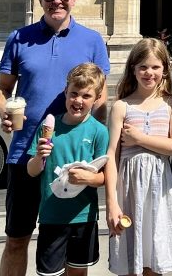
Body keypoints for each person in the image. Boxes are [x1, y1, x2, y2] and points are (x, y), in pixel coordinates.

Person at [0, 0, 111, 276]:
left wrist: (96, 152)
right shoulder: (19, 38)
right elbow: (3, 89)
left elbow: (99, 99)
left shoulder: (92, 40)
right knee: (17, 240)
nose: (56, 1)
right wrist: (5, 112)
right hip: (24, 155)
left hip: (70, 161)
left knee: (69, 250)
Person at [106, 39, 172, 276]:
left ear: (164, 69)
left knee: (155, 257)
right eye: (142, 67)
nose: (149, 73)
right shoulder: (122, 106)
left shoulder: (170, 104)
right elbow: (111, 155)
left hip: (158, 189)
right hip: (128, 189)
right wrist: (111, 202)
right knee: (130, 259)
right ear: (133, 69)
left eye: (155, 67)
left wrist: (139, 138)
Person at [27, 64, 110, 276]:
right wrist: (39, 156)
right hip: (51, 215)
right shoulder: (49, 128)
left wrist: (88, 177)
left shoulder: (99, 132)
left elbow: (105, 177)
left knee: (78, 271)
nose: (78, 101)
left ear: (97, 98)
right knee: (50, 273)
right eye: (74, 94)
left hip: (83, 216)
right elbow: (32, 171)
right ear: (66, 92)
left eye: (86, 96)